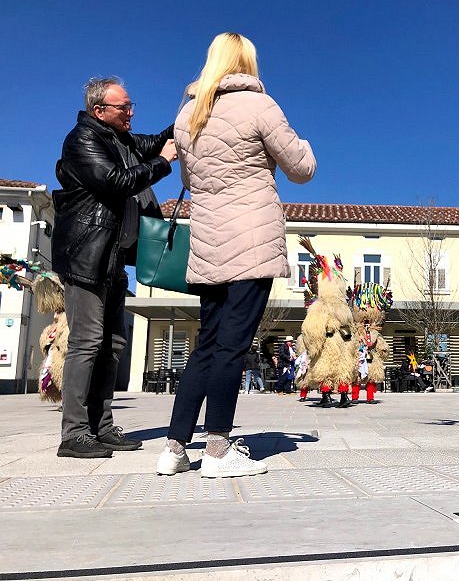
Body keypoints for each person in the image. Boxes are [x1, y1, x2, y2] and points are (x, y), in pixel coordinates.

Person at [157, 32, 316, 478]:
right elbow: (301, 169)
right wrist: (301, 145)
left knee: (206, 344)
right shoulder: (259, 105)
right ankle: (218, 450)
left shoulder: (187, 114)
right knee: (233, 345)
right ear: (246, 63)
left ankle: (173, 449)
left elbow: (191, 176)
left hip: (208, 241)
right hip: (250, 238)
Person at [53, 76, 176, 458]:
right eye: (124, 108)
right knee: (87, 343)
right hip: (86, 258)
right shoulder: (83, 140)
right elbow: (115, 181)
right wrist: (163, 164)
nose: (131, 112)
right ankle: (74, 433)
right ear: (99, 110)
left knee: (113, 344)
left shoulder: (119, 140)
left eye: (130, 105)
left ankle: (101, 426)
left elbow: (155, 140)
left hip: (112, 258)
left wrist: (195, 106)